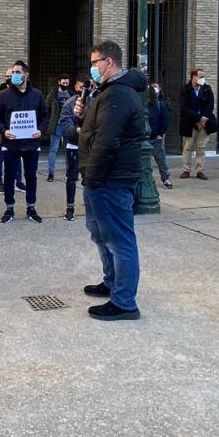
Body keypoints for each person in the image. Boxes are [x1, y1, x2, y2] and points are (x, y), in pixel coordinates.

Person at [74, 40, 146, 321]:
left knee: (119, 239)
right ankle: (112, 282)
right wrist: (84, 115)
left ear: (108, 62)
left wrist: (91, 179)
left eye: (94, 63)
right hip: (101, 178)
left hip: (109, 180)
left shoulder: (118, 94)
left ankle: (125, 302)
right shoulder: (107, 93)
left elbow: (106, 141)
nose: (92, 69)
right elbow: (95, 132)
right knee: (101, 234)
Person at [0, 60, 48, 223]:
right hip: (11, 144)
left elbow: (44, 115)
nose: (14, 75)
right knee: (9, 177)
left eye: (17, 72)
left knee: (31, 177)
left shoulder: (37, 94)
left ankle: (31, 207)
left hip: (31, 144)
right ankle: (9, 208)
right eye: (13, 73)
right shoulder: (4, 95)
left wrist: (40, 130)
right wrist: (4, 130)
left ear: (26, 74)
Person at [59, 76, 93, 221]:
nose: (83, 91)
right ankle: (70, 207)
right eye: (81, 87)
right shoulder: (69, 103)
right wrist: (79, 130)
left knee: (90, 178)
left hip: (91, 147)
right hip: (74, 145)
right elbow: (66, 126)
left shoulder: (96, 101)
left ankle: (90, 205)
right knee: (71, 178)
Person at [179, 68, 215, 180]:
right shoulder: (186, 89)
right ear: (193, 77)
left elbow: (210, 105)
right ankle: (186, 170)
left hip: (204, 123)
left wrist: (203, 118)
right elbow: (184, 107)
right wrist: (198, 118)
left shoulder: (207, 89)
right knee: (187, 148)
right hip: (189, 123)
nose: (202, 79)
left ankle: (200, 170)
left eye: (203, 76)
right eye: (200, 76)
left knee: (201, 148)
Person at [45, 74, 74, 182]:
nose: (65, 85)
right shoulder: (53, 94)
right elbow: (46, 108)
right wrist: (49, 121)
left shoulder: (71, 94)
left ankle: (69, 173)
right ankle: (51, 173)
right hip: (56, 125)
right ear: (59, 82)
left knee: (68, 150)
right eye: (63, 83)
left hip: (68, 125)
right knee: (53, 150)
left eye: (67, 83)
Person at [146, 82, 172, 189]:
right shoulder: (140, 105)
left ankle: (165, 178)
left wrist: (161, 134)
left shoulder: (159, 105)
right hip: (143, 138)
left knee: (161, 160)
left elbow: (165, 119)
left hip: (155, 137)